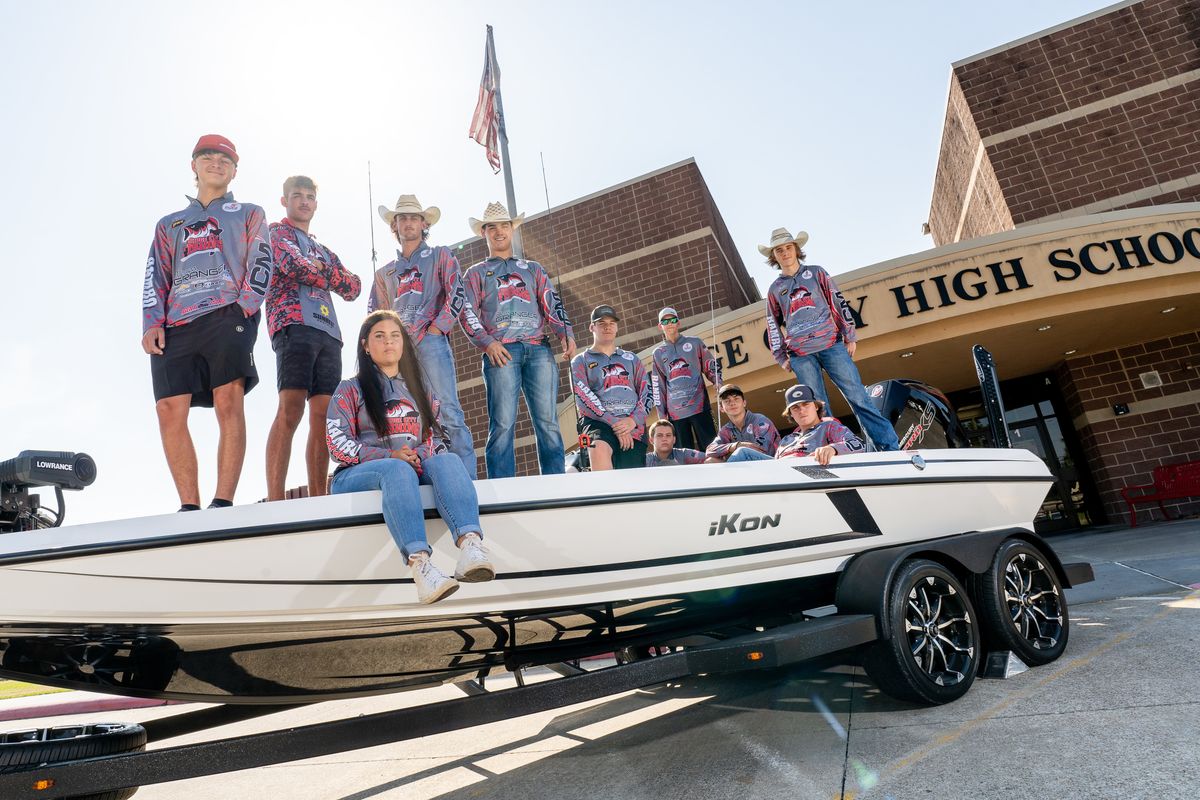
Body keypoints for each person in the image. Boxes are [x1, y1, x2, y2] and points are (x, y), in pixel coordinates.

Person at [141, 134, 273, 511]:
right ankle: (188, 506)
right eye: (208, 156)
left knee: (228, 400)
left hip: (227, 314)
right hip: (176, 322)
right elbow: (156, 274)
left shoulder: (249, 212)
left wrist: (245, 306)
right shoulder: (169, 223)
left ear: (234, 170)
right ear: (194, 164)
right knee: (168, 408)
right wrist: (152, 321)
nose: (216, 163)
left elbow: (262, 261)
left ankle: (222, 501)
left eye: (225, 159)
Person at [325, 310, 494, 604]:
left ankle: (470, 547)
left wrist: (415, 454)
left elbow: (437, 438)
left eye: (395, 336)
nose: (388, 342)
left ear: (403, 343)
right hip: (356, 475)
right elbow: (336, 443)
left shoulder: (421, 389)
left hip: (410, 467)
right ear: (365, 345)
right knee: (395, 469)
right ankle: (421, 567)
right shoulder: (349, 389)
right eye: (380, 336)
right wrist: (390, 455)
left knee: (449, 460)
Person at [264, 176, 362, 501]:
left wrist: (322, 268)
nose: (304, 202)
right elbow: (293, 265)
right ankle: (276, 499)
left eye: (309, 197)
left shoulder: (322, 249)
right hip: (293, 324)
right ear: (285, 201)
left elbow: (353, 287)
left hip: (329, 332)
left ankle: (319, 497)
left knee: (322, 416)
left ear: (316, 204)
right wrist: (327, 273)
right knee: (290, 409)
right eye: (297, 196)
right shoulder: (276, 233)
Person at [460, 202, 575, 478]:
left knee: (548, 422)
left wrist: (565, 332)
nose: (499, 231)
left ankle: (555, 485)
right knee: (501, 425)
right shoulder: (475, 273)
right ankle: (502, 491)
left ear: (512, 229)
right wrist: (487, 343)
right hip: (501, 353)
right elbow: (466, 311)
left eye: (504, 225)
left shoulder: (533, 268)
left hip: (538, 350)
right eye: (492, 227)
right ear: (483, 233)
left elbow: (550, 302)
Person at [762, 227, 899, 452]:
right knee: (818, 410)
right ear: (774, 256)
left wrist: (849, 335)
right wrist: (780, 357)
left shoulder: (816, 273)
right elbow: (772, 323)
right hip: (801, 355)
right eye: (779, 250)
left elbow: (837, 301)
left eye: (788, 247)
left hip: (832, 346)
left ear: (796, 249)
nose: (785, 253)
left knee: (859, 398)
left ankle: (889, 449)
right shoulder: (775, 289)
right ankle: (834, 453)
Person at [369, 195, 478, 479]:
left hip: (430, 342)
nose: (407, 223)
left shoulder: (440, 255)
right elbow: (374, 313)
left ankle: (467, 482)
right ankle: (424, 479)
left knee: (449, 411)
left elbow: (457, 292)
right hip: (397, 350)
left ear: (423, 223)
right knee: (407, 417)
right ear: (395, 225)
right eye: (402, 218)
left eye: (413, 218)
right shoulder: (384, 273)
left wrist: (438, 327)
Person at [571, 305, 650, 471]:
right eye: (601, 323)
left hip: (632, 426)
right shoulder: (580, 361)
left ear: (617, 327)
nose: (607, 327)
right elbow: (584, 398)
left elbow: (647, 393)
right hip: (598, 424)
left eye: (611, 323)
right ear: (592, 327)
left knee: (632, 483)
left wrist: (632, 420)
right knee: (598, 448)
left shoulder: (632, 359)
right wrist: (615, 423)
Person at [727, 384, 865, 465]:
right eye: (795, 408)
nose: (802, 410)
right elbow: (775, 464)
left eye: (806, 404)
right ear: (791, 414)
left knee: (743, 452)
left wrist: (832, 449)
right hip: (781, 475)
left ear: (816, 406)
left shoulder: (829, 426)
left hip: (808, 473)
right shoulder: (788, 439)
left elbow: (859, 445)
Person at [651, 306, 721, 451]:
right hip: (675, 414)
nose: (669, 323)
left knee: (711, 449)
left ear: (678, 323)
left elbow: (710, 365)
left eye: (673, 319)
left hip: (700, 406)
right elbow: (658, 385)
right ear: (660, 326)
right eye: (665, 321)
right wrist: (662, 415)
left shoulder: (695, 343)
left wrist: (717, 381)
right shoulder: (658, 353)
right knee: (683, 454)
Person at [705, 385, 780, 462]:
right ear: (721, 408)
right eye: (727, 401)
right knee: (710, 461)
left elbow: (761, 449)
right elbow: (709, 450)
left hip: (772, 464)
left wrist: (730, 453)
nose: (732, 403)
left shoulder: (759, 420)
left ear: (744, 403)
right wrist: (735, 445)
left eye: (736, 399)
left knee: (742, 452)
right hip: (746, 467)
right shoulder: (726, 430)